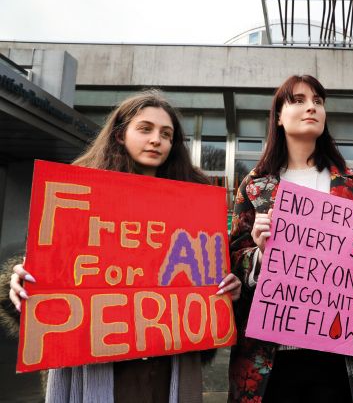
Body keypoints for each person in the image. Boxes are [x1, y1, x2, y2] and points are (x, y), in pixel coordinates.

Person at [0, 90, 241, 403]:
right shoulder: (81, 191)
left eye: (166, 134)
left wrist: (224, 289)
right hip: (96, 372)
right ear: (119, 134)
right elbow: (56, 263)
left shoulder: (192, 201)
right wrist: (20, 279)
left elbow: (202, 277)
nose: (157, 139)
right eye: (145, 129)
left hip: (168, 370)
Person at [227, 75, 353, 403]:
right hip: (269, 357)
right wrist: (258, 252)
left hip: (335, 352)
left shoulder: (349, 184)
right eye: (297, 100)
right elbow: (232, 263)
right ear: (279, 118)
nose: (311, 106)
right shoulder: (255, 185)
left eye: (318, 100)